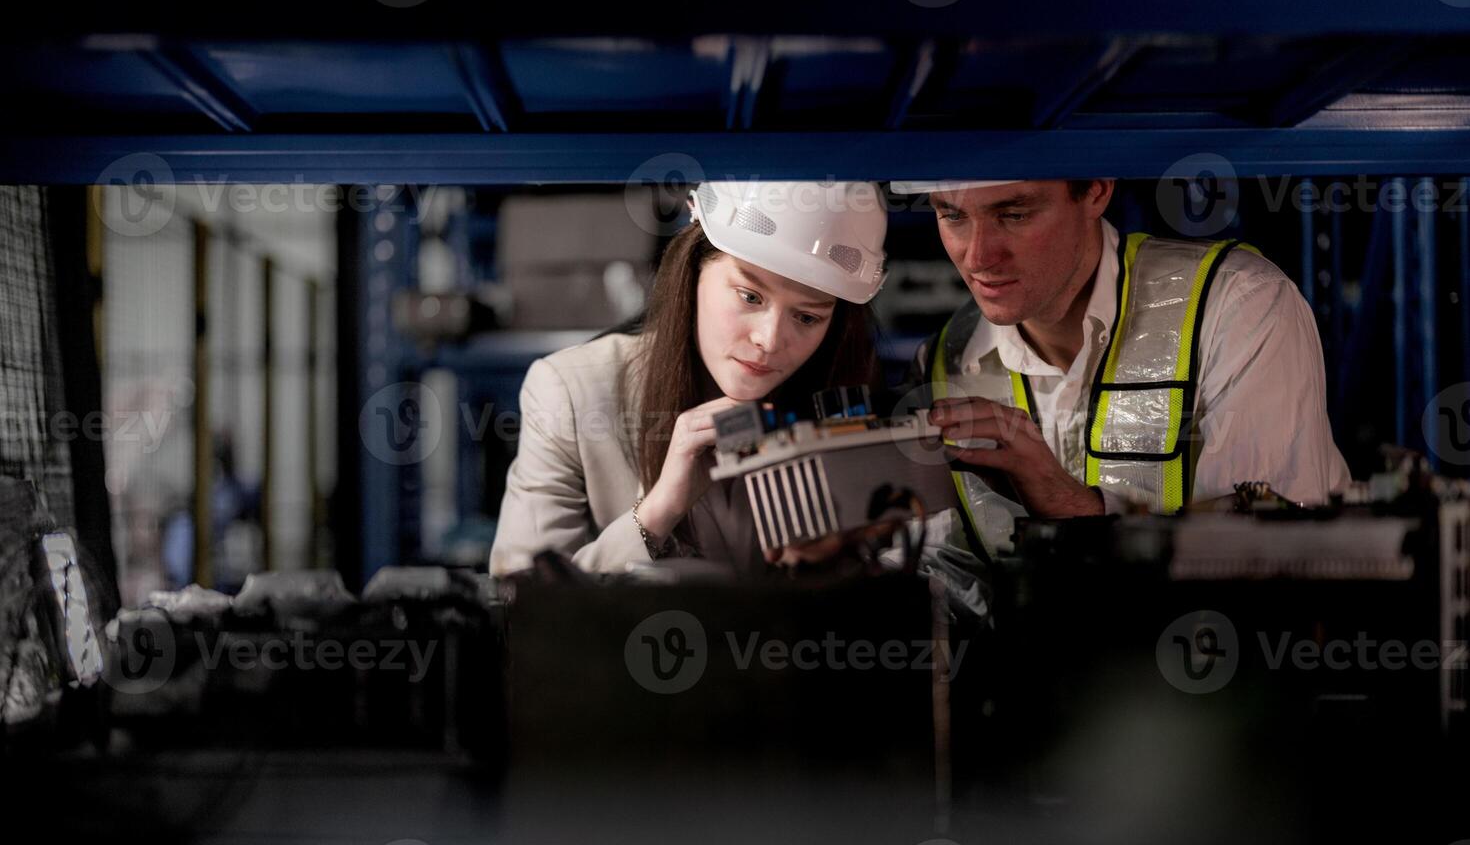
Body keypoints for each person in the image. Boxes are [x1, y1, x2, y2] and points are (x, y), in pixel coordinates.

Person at [891, 178, 1350, 556]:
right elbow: (947, 591)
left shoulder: (1238, 304)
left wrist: (1069, 507)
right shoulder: (942, 363)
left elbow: (1272, 558)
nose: (977, 257)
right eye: (952, 215)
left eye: (1014, 215)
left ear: (1096, 190)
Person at [489, 180, 888, 576]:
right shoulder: (572, 393)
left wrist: (845, 555)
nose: (769, 340)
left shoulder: (843, 395)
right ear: (693, 267)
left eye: (807, 317)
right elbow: (518, 606)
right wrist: (655, 515)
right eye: (750, 297)